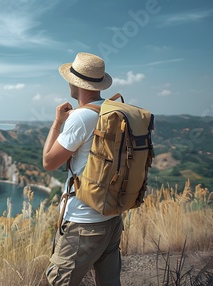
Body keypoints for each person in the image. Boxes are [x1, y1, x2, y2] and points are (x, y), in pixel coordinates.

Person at [43, 52, 123, 286]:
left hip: (84, 222)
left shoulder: (80, 118)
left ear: (74, 82)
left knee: (59, 281)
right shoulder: (114, 111)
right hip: (112, 215)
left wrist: (58, 122)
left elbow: (49, 162)